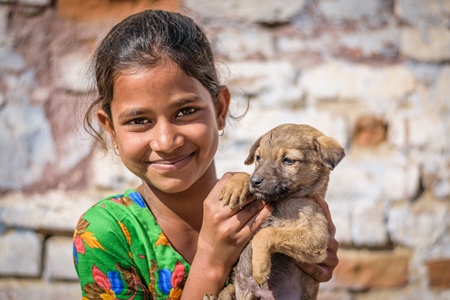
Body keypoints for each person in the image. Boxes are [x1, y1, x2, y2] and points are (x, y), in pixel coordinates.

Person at [73, 9, 339, 299]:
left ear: (220, 110)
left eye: (186, 111)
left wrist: (300, 260)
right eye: (139, 120)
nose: (166, 141)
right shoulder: (106, 233)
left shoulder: (262, 204)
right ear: (110, 128)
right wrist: (212, 259)